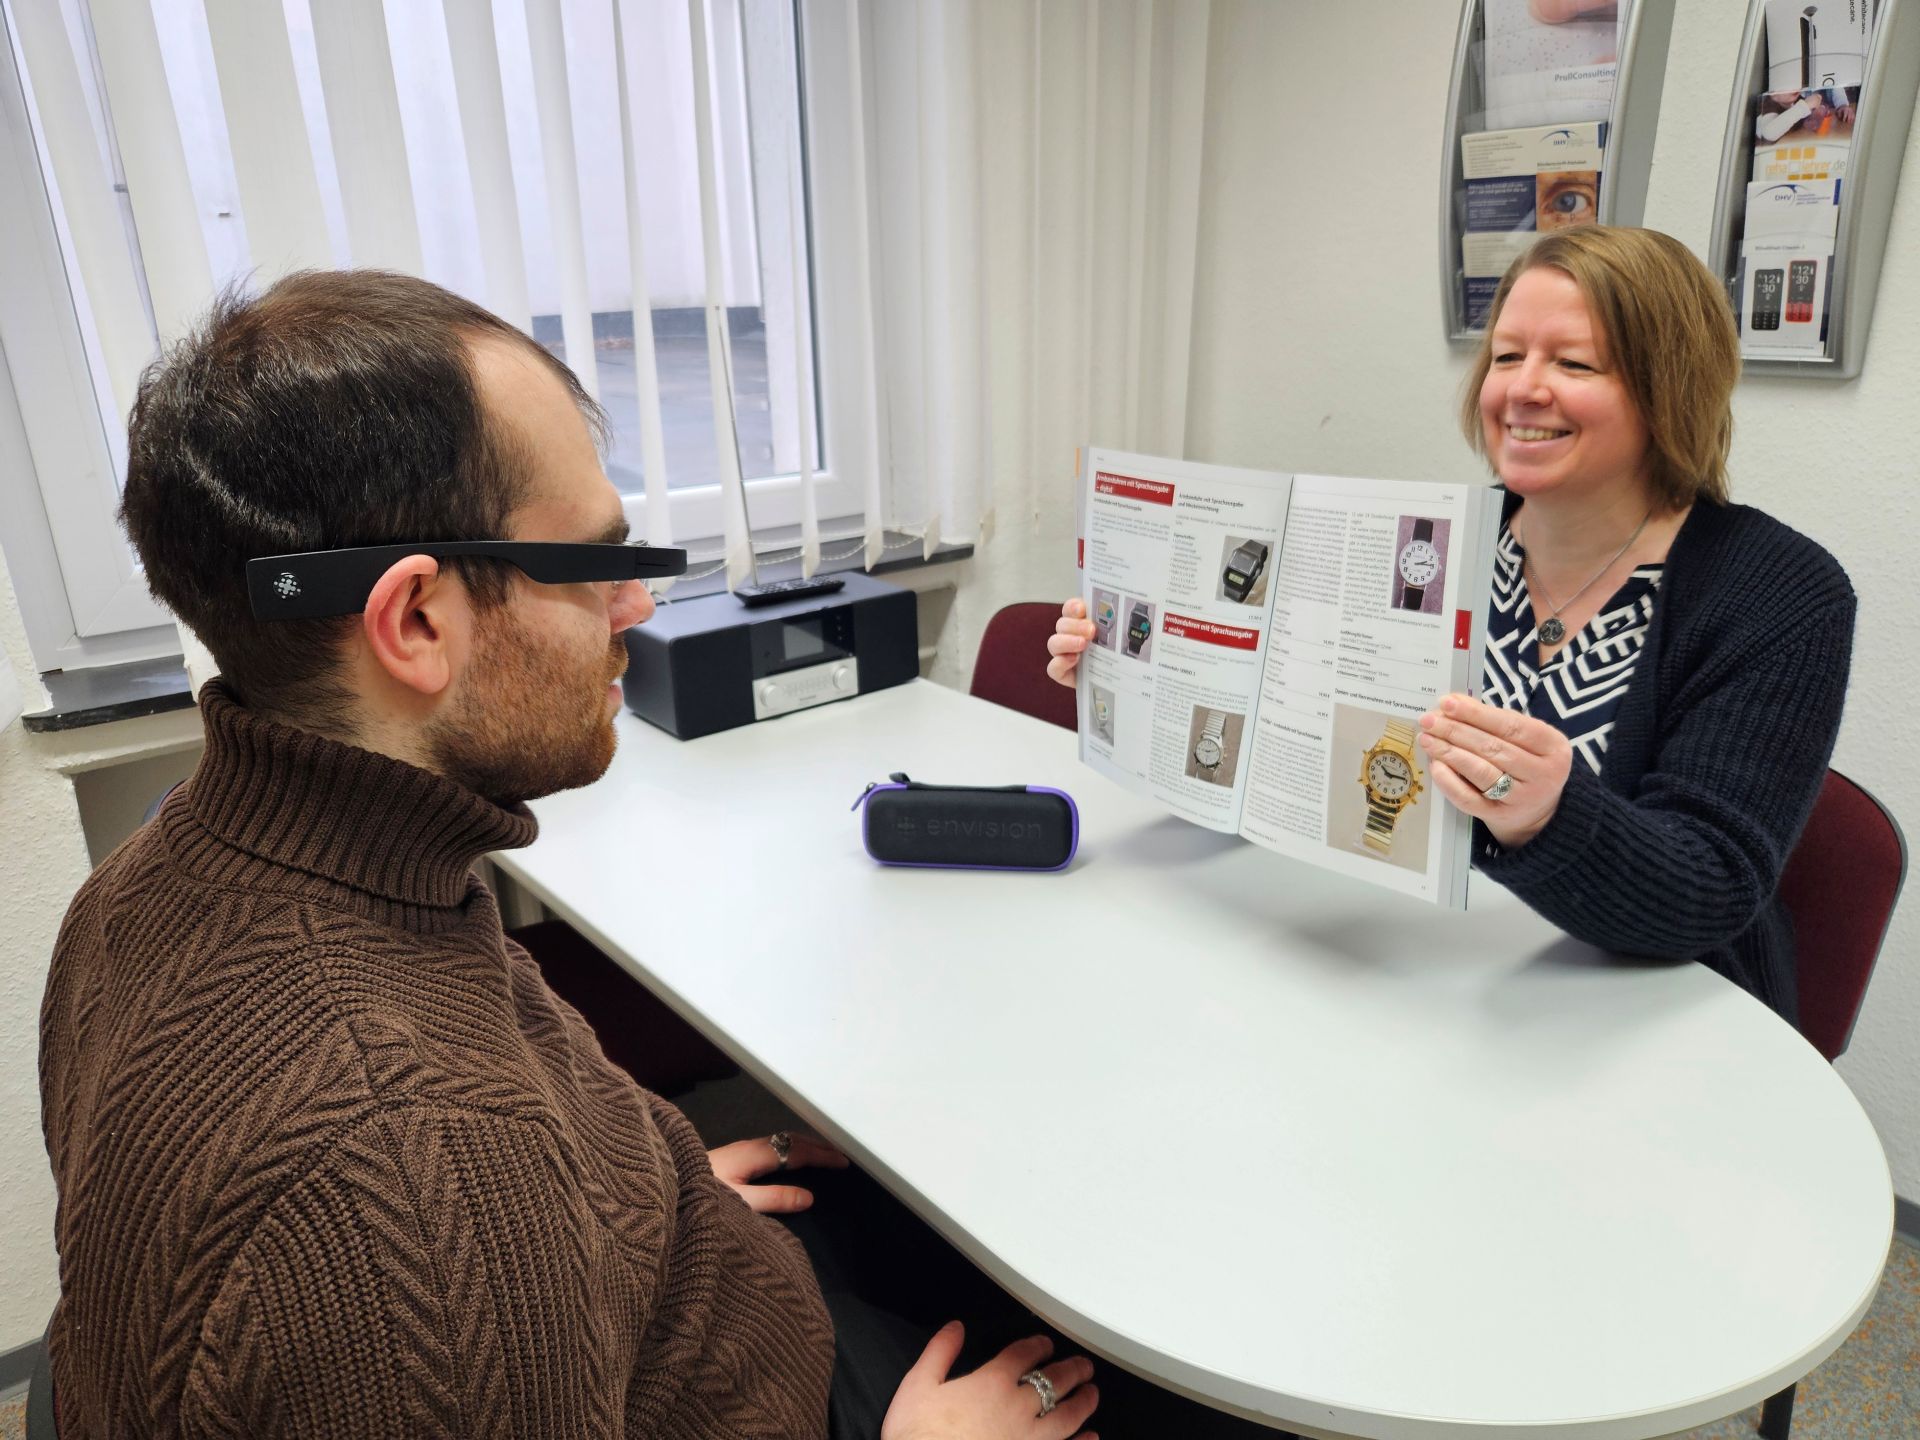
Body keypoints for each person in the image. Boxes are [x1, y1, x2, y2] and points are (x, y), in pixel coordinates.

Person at [42, 271, 1100, 1439]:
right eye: (597, 564)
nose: (636, 606)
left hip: (657, 1292)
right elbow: (421, 1207)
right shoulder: (411, 1182)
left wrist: (620, 1193)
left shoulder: (144, 887)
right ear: (416, 621)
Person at [1047, 227, 1855, 1024]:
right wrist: (1151, 677)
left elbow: (1710, 889)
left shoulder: (1778, 593)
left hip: (1653, 1019)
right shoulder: (1425, 547)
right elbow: (1290, 788)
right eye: (1506, 357)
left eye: (1573, 363)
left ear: (1669, 387)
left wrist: (1546, 815)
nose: (1522, 390)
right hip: (1415, 982)